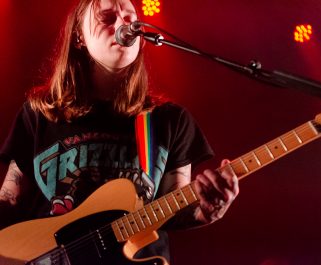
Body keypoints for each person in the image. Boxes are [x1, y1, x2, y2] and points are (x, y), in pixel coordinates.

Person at [0, 0, 239, 264]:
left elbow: (176, 209)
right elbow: (9, 202)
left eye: (129, 18)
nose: (123, 25)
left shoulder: (169, 121)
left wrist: (209, 210)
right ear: (78, 35)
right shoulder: (39, 114)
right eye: (107, 17)